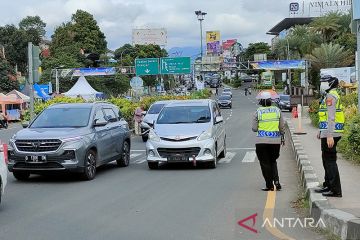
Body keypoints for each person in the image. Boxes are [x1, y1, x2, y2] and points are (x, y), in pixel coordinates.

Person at [314, 75, 344, 197]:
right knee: (326, 159)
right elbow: (325, 116)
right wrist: (321, 131)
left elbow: (331, 117)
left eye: (324, 82)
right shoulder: (330, 94)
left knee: (330, 161)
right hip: (327, 131)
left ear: (330, 83)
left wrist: (329, 135)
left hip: (331, 132)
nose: (322, 84)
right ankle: (327, 185)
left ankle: (335, 190)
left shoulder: (331, 96)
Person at [252, 92, 285, 191]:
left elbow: (254, 128)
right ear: (271, 100)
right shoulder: (277, 110)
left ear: (261, 101)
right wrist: (282, 137)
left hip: (261, 142)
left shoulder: (258, 112)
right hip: (275, 142)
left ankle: (269, 185)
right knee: (273, 161)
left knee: (265, 163)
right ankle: (277, 182)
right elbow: (281, 127)